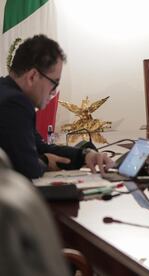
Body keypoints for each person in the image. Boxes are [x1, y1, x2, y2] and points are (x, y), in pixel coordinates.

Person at [0, 34, 114, 179]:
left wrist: (85, 155)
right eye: (54, 83)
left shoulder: (6, 91)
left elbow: (41, 147)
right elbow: (28, 170)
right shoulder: (15, 103)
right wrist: (45, 161)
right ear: (32, 76)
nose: (54, 92)